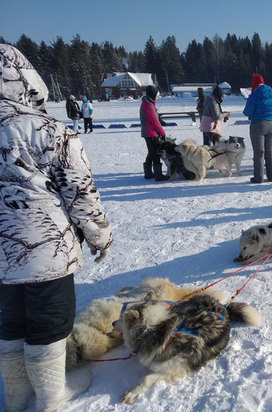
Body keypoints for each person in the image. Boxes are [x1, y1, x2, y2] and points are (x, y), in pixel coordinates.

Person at [0, 44, 112, 412]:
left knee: (10, 320)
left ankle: (16, 396)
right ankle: (51, 395)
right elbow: (80, 193)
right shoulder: (47, 130)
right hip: (44, 249)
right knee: (48, 321)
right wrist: (100, 236)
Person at [243, 73, 272, 183]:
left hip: (258, 125)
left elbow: (247, 112)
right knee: (270, 152)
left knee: (259, 152)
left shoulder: (254, 95)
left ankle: (258, 178)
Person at [140, 85, 169, 181]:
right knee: (156, 153)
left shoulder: (148, 103)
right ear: (152, 95)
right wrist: (163, 133)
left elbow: (156, 117)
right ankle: (158, 175)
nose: (158, 97)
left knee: (151, 152)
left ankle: (148, 173)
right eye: (157, 95)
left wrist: (161, 121)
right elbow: (154, 121)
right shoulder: (148, 105)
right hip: (151, 133)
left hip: (148, 132)